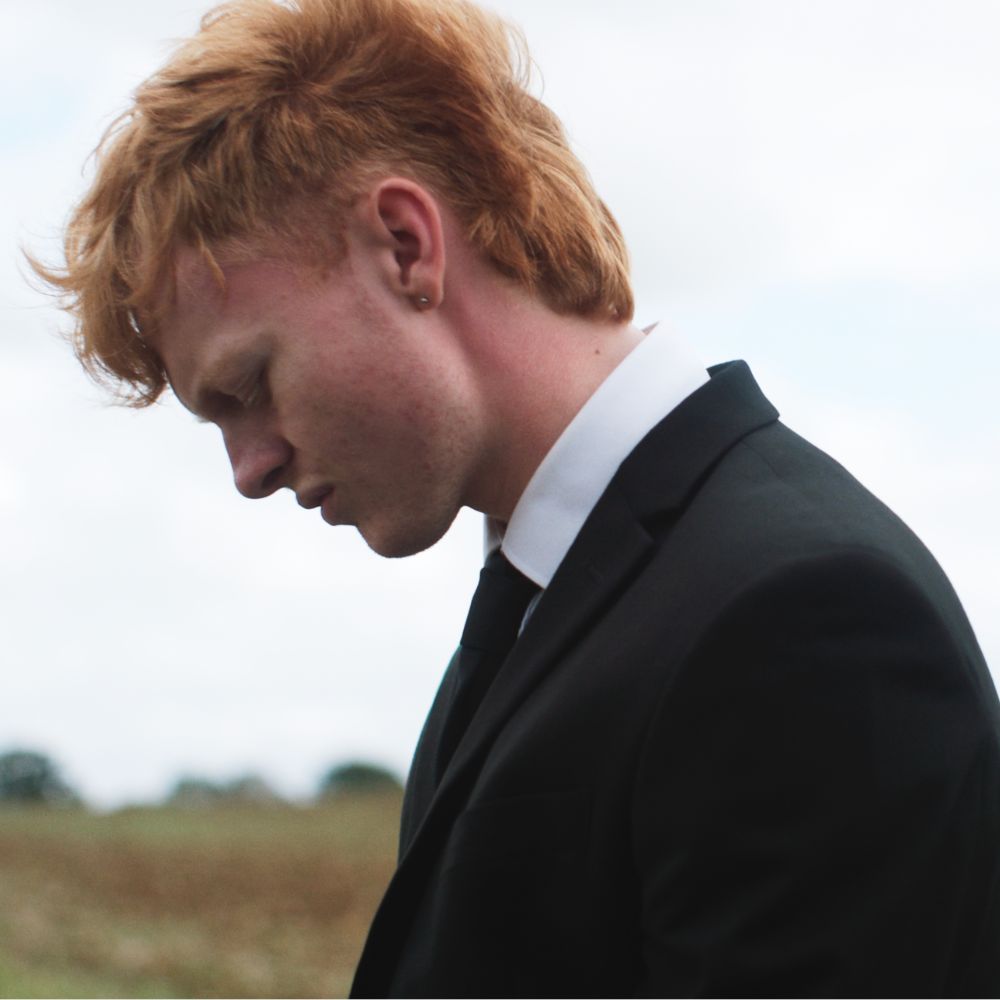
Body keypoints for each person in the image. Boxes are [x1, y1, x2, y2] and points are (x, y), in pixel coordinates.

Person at [33, 0, 1000, 994]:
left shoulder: (800, 622)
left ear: (405, 245)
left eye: (253, 385)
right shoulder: (553, 600)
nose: (250, 469)